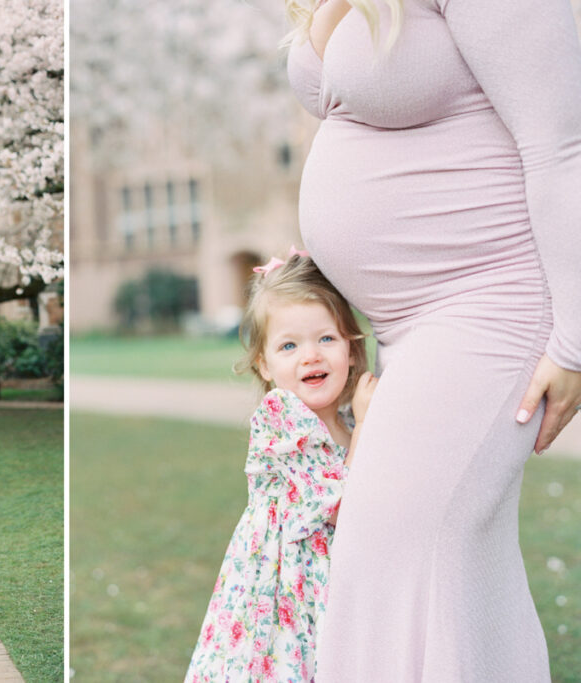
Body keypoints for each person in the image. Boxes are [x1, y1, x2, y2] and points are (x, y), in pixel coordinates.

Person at [285, 0, 581, 679]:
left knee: (386, 551)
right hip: (412, 328)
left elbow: (560, 144)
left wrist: (575, 341)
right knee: (463, 570)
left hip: (489, 306)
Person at [185, 253, 376, 682]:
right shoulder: (282, 418)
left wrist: (359, 424)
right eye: (289, 346)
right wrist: (367, 423)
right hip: (282, 591)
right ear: (265, 366)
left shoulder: (343, 421)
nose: (310, 356)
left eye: (326, 339)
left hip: (324, 583)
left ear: (350, 345)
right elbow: (344, 503)